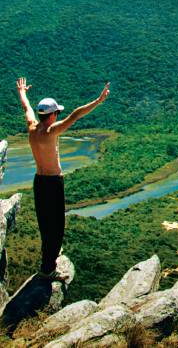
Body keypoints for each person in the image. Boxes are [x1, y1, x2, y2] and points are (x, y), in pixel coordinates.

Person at [15, 77, 110, 279]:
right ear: (52, 115)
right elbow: (76, 115)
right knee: (56, 225)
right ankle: (49, 269)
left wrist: (22, 91)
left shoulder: (32, 127)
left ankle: (48, 260)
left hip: (38, 182)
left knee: (44, 222)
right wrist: (98, 100)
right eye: (57, 112)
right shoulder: (51, 131)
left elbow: (26, 107)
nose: (59, 115)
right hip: (53, 183)